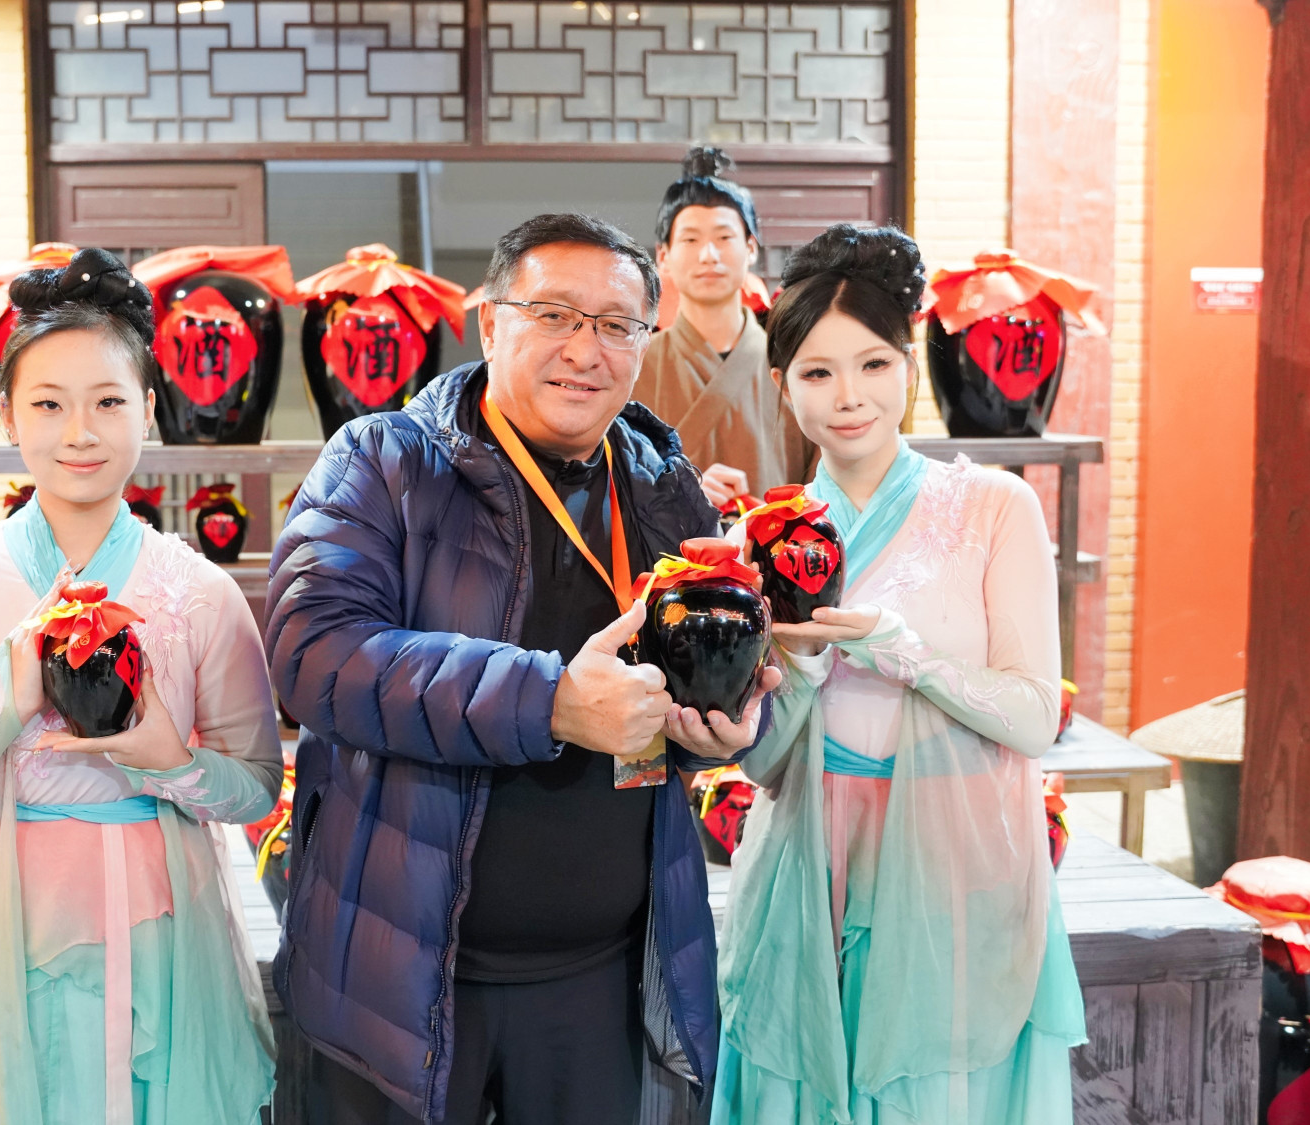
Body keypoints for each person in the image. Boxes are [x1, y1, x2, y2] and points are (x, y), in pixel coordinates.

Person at [266, 212, 783, 1125]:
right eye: (555, 315)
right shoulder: (383, 461)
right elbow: (315, 652)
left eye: (617, 325)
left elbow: (710, 664)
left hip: (605, 982)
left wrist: (722, 725)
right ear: (490, 323)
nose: (586, 350)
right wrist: (549, 702)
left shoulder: (663, 485)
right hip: (401, 982)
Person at [0, 248, 282, 1124]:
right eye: (48, 403)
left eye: (109, 402)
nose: (80, 431)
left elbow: (258, 785)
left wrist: (173, 763)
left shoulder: (202, 592)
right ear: (8, 413)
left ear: (149, 411)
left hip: (160, 944)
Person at [712, 224, 1088, 1124]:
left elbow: (1034, 716)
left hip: (954, 868)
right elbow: (760, 764)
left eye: (874, 364)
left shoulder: (995, 506)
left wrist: (902, 651)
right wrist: (803, 662)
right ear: (782, 383)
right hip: (807, 867)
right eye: (817, 372)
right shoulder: (762, 533)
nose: (849, 396)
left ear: (910, 365)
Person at [634, 146, 814, 505]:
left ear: (751, 248)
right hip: (665, 545)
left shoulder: (797, 364)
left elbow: (820, 487)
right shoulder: (633, 365)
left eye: (724, 238)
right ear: (664, 256)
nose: (709, 255)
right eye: (690, 239)